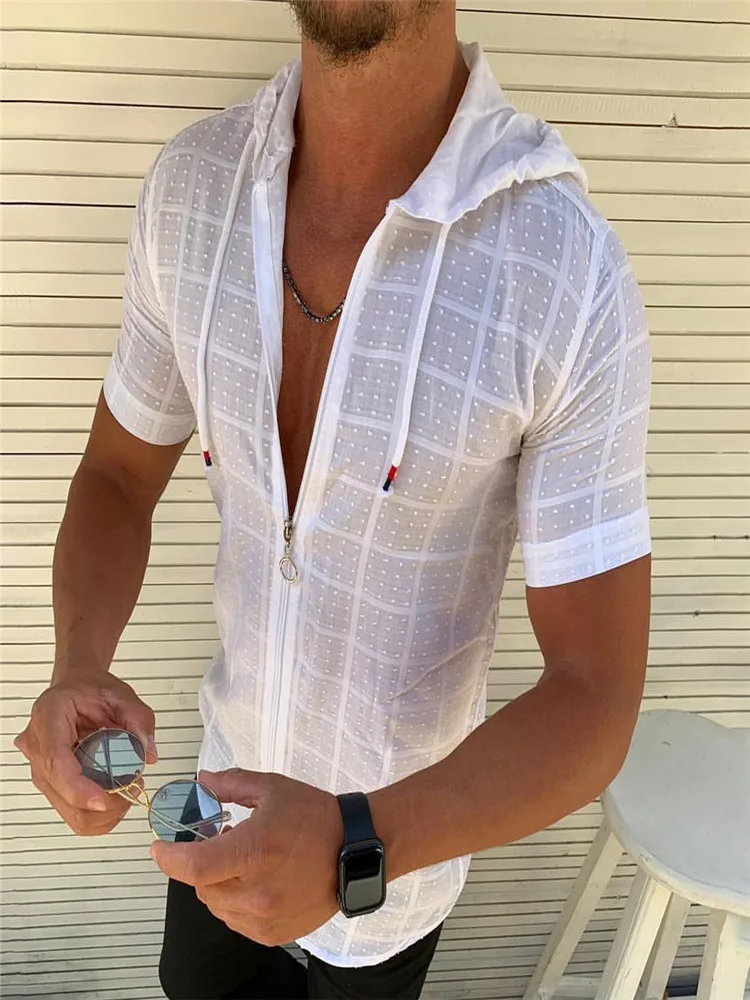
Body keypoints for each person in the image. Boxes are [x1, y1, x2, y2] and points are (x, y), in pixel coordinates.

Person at [14, 1, 653, 997]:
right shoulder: (193, 192)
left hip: (391, 874)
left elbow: (596, 692)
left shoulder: (564, 270)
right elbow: (117, 474)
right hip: (211, 809)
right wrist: (76, 663)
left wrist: (360, 840)